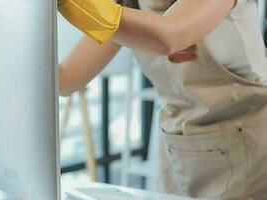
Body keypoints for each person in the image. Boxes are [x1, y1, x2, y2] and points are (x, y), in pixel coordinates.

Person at [58, 0, 267, 199]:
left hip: (246, 150)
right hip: (178, 149)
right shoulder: (131, 5)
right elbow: (67, 79)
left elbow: (169, 36)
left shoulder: (121, 18)